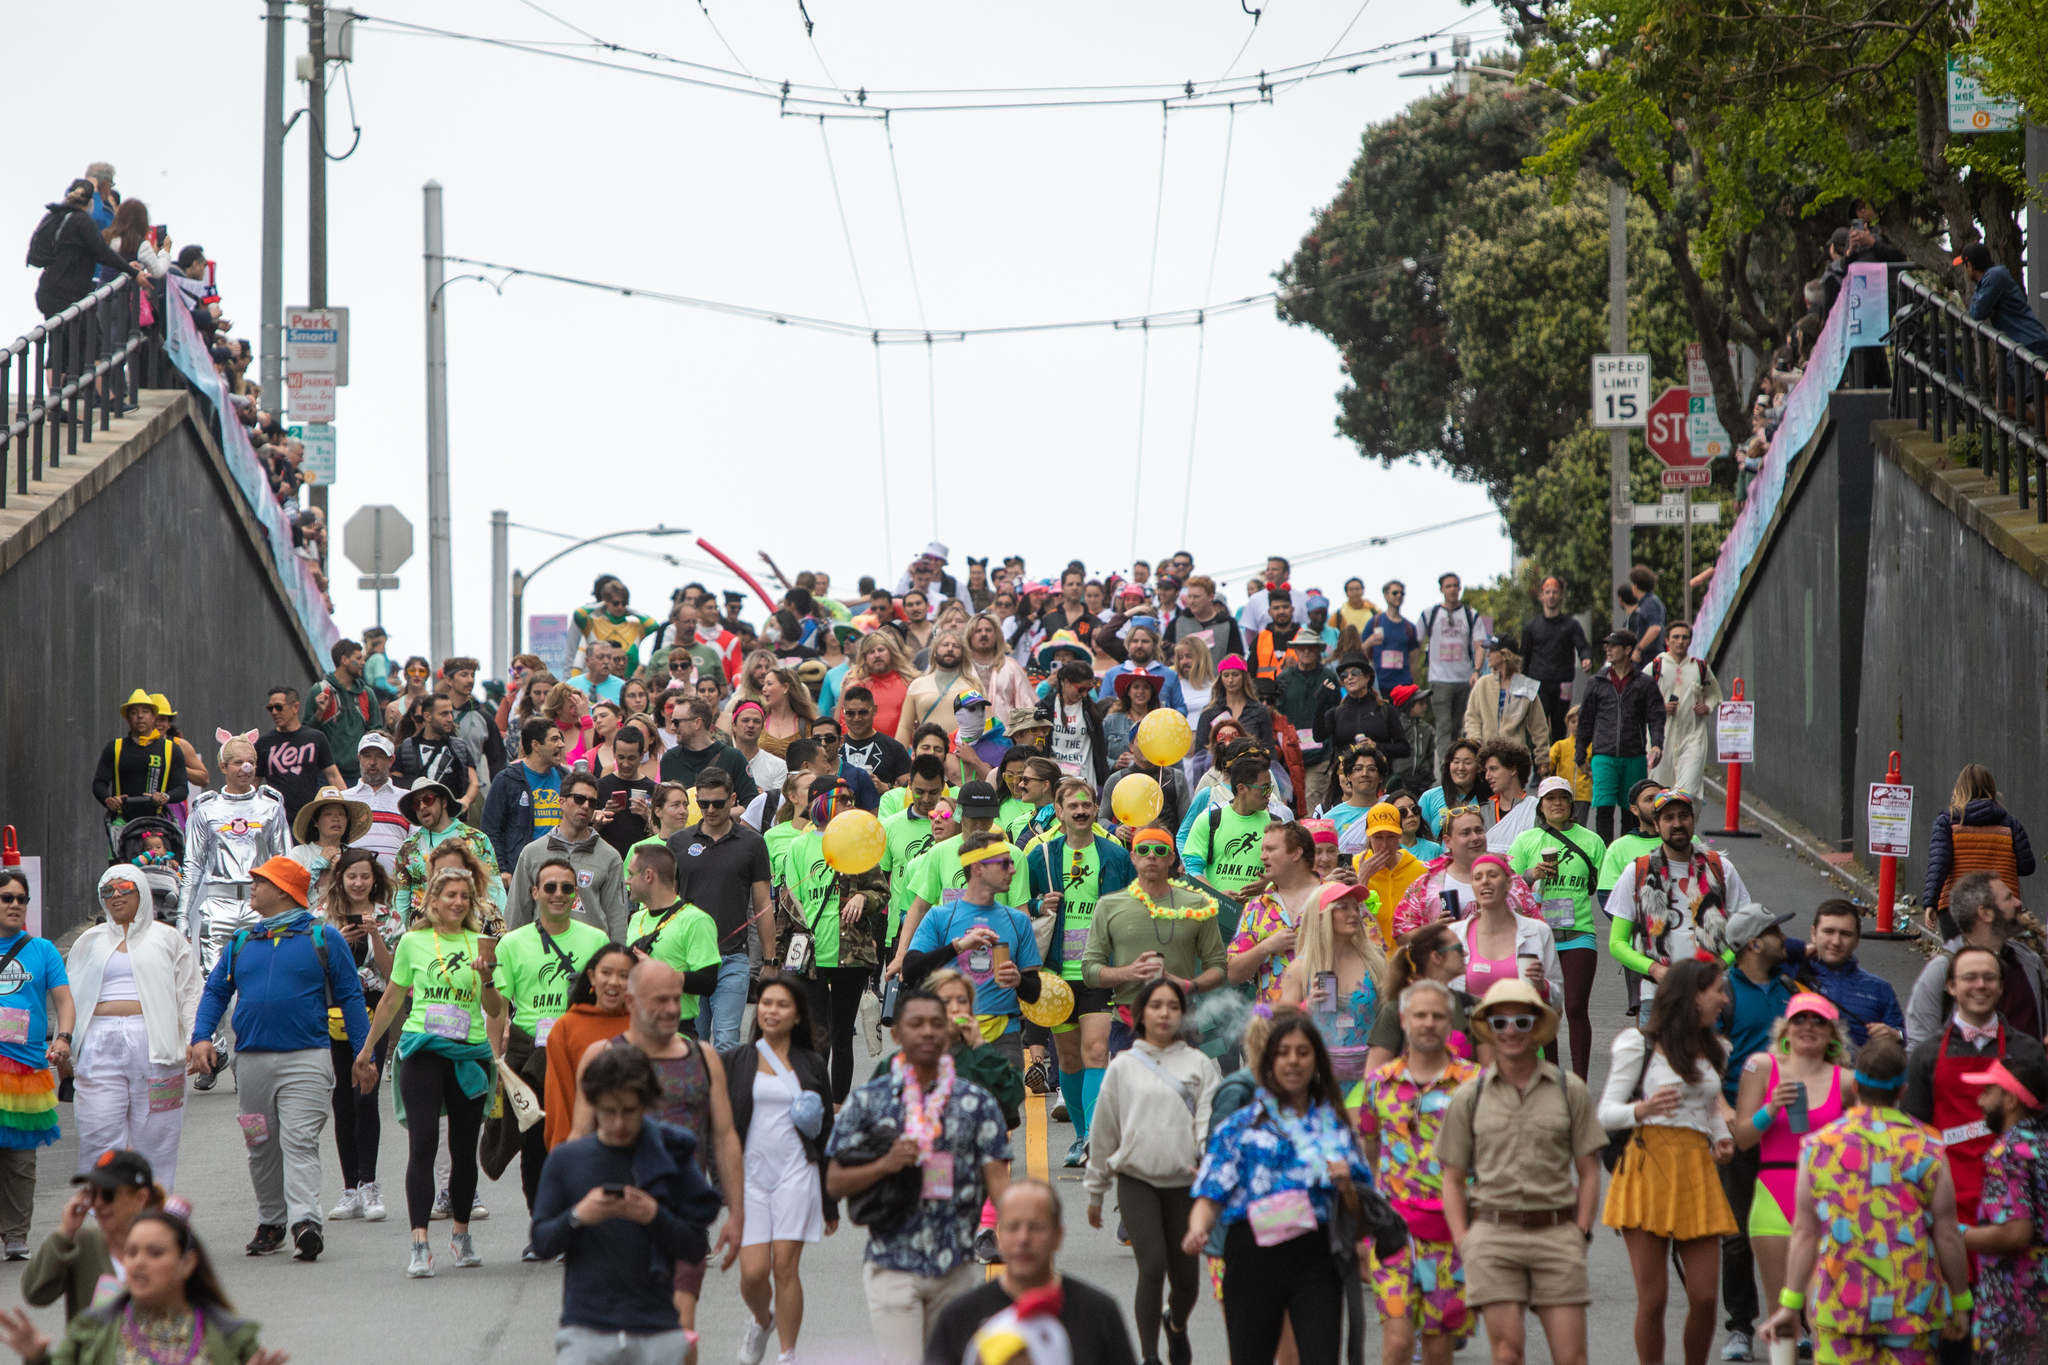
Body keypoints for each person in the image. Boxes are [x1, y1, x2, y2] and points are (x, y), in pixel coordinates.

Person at [188, 856, 369, 1262]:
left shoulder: (323, 936)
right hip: (249, 1063)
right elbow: (216, 991)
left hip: (307, 1058)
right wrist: (201, 1037)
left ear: (285, 890)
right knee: (259, 1144)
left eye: (260, 881)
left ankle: (306, 1222)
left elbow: (351, 996)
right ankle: (271, 1221)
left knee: (299, 1139)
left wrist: (363, 1053)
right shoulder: (241, 941)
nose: (251, 886)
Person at [826, 986, 1014, 1365]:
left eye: (936, 1024)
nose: (927, 1032)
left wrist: (1020, 1238)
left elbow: (999, 1184)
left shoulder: (977, 1103)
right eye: (916, 1023)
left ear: (949, 1031)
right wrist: (884, 1165)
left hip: (956, 1269)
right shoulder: (869, 1101)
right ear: (896, 1034)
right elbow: (833, 1181)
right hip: (891, 1263)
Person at [1755, 1035, 1970, 1365]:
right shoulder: (1929, 1145)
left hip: (1840, 1307)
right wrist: (1960, 1299)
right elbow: (1947, 1233)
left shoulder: (1818, 1146)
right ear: (1903, 1090)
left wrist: (1789, 1304)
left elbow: (1805, 1232)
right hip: (1912, 1307)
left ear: (1855, 1086)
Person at [1181, 1013, 1376, 1365]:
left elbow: (1361, 1211)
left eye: (1303, 1052)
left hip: (1315, 1258)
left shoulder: (1334, 1126)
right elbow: (1210, 1193)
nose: (1293, 1061)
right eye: (1283, 1052)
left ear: (1316, 1059)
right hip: (1252, 1255)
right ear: (1269, 1060)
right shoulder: (1240, 1125)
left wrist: (1346, 1185)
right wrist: (1198, 1229)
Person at [568, 960, 745, 1345]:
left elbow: (725, 1135)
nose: (671, 1009)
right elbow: (579, 1139)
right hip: (616, 1223)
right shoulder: (603, 1056)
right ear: (630, 1002)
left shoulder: (703, 1057)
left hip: (682, 1219)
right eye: (659, 1000)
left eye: (676, 999)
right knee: (626, 1337)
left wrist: (737, 1212)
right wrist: (572, 1215)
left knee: (676, 1334)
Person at [1437, 978, 1603, 1365]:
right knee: (1507, 1353)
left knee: (1572, 1357)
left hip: (1557, 1233)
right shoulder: (1470, 1095)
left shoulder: (1569, 1089)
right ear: (1489, 1029)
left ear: (1537, 1027)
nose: (1510, 1031)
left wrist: (1580, 1231)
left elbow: (1590, 1171)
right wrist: (1465, 1240)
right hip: (1493, 1236)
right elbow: (1453, 1177)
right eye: (1500, 1023)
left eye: (1521, 1022)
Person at [350, 866, 504, 1277]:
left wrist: (487, 977)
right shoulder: (414, 943)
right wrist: (366, 1051)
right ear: (432, 901)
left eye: (464, 897)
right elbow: (390, 1002)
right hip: (421, 1049)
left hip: (469, 1053)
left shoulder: (484, 944)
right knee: (423, 1144)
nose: (457, 902)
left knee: (463, 1148)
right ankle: (419, 1243)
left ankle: (461, 1235)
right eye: (449, 895)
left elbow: (495, 1010)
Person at [530, 1046, 723, 1365]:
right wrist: (579, 1216)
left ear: (647, 1104)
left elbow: (694, 1247)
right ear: (592, 1104)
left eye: (629, 1111)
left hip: (656, 1330)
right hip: (586, 1331)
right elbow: (542, 1242)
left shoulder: (670, 1154)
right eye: (608, 1111)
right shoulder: (567, 1160)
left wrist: (654, 1216)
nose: (619, 1122)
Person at [1600, 958, 1737, 1365]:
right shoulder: (1637, 1045)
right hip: (1646, 1165)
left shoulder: (1716, 1048)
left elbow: (1710, 1107)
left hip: (1696, 1167)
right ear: (1692, 995)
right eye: (1718, 991)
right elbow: (1604, 1113)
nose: (1725, 999)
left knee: (1706, 1296)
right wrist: (1642, 1110)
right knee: (1654, 1299)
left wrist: (1723, 1137)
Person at [1080, 976, 1216, 1365]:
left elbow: (1208, 1119)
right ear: (1139, 1015)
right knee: (1153, 1265)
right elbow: (1104, 1131)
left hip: (1185, 1185)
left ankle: (1176, 1325)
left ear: (1182, 1014)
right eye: (1156, 1006)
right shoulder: (1123, 1066)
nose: (1164, 1013)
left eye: (1173, 1006)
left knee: (1187, 1284)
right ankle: (1151, 1356)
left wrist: (1205, 1154)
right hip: (1137, 1180)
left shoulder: (1200, 1065)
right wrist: (1095, 1190)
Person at [1356, 977, 1483, 1365]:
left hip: (1453, 1233)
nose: (1428, 1023)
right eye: (1420, 1015)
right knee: (1396, 1341)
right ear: (1404, 1020)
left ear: (1451, 1024)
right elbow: (1371, 1145)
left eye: (1438, 1016)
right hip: (1394, 1232)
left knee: (1437, 1347)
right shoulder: (1379, 1083)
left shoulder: (1474, 1083)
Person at [486, 855, 616, 1225]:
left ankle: (583, 1218)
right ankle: (543, 1221)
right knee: (534, 1140)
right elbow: (498, 1008)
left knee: (586, 1135)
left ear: (575, 895)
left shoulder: (596, 939)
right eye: (550, 887)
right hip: (531, 1051)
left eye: (566, 888)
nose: (558, 894)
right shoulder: (511, 943)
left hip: (581, 1047)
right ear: (534, 892)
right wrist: (496, 1058)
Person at [1729, 993, 1856, 1354]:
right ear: (1785, 1028)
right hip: (1774, 1191)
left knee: (1823, 1312)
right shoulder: (1762, 1066)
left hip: (1827, 1198)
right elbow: (1742, 1137)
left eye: (1818, 1021)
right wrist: (1771, 1109)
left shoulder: (1847, 1081)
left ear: (1833, 1033)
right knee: (1782, 1314)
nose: (1808, 1027)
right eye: (1800, 1019)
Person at [0, 1208, 289, 1365]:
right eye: (132, 1252)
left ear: (187, 1263)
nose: (138, 1262)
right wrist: (37, 1359)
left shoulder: (231, 1336)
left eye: (155, 1253)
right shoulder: (91, 1330)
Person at [65, 868, 201, 1190]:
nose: (116, 895)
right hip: (98, 1044)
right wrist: (66, 1045)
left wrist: (196, 1038)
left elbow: (191, 991)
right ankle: (101, 1216)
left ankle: (154, 1214)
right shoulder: (88, 942)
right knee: (98, 1134)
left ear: (141, 890)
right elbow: (67, 996)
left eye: (124, 887)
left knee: (158, 1139)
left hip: (158, 1047)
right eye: (107, 890)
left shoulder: (168, 937)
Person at [725, 977, 836, 1365]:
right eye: (766, 1003)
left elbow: (825, 1136)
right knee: (754, 1273)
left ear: (797, 1016)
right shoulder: (737, 1061)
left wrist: (830, 1202)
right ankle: (761, 1319)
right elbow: (720, 1129)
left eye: (782, 1005)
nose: (771, 1011)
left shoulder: (812, 1064)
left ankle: (788, 1355)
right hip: (750, 1180)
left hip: (796, 1174)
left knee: (786, 1266)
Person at [1024, 780, 1135, 1164]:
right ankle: (1079, 1134)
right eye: (1072, 805)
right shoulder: (1040, 856)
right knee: (1069, 1061)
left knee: (1096, 1050)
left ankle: (1093, 1136)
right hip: (1057, 972)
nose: (1081, 811)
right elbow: (1024, 906)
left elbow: (1132, 903)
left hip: (1099, 970)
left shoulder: (1115, 854)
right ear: (1058, 811)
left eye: (1087, 804)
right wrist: (1040, 903)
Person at [1903, 944, 2048, 1231]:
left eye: (1989, 977)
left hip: (2014, 1202)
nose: (1980, 985)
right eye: (1970, 977)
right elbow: (1912, 1134)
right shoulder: (1926, 1054)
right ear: (1951, 987)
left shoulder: (2028, 1051)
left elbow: (2042, 1130)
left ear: (2001, 987)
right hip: (1945, 1196)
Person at [926, 1179, 1140, 1365]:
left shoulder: (1098, 1313)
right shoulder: (960, 1317)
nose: (1023, 1239)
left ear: (1059, 1236)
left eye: (1036, 1227)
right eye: (1012, 1227)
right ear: (997, 1236)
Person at [774, 785, 887, 1103]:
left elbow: (881, 890)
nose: (850, 805)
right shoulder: (798, 846)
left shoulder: (858, 842)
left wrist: (864, 897)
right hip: (809, 956)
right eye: (843, 800)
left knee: (841, 1035)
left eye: (852, 800)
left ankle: (837, 1106)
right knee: (816, 1034)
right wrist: (782, 956)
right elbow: (788, 902)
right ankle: (816, 1101)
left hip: (851, 956)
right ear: (821, 803)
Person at [899, 832, 1045, 1069]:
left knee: (1004, 1105)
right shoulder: (941, 916)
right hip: (950, 1034)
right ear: (977, 869)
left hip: (1003, 1035)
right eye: (1004, 863)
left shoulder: (1018, 921)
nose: (1013, 870)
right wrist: (958, 946)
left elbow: (1034, 991)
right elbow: (911, 968)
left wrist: (1018, 981)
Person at [1080, 827, 1228, 1055]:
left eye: (1160, 850)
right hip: (1128, 1021)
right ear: (1133, 857)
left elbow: (1219, 967)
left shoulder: (1198, 903)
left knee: (1179, 1091)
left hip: (1180, 1019)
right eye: (1143, 849)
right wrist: (1128, 973)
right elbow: (1089, 971)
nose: (1151, 855)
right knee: (1131, 1091)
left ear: (1171, 858)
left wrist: (1188, 986)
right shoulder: (1109, 905)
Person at [1606, 789, 1749, 1014]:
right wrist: (1654, 969)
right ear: (1656, 824)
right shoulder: (1637, 871)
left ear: (1693, 820)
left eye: (1683, 816)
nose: (1677, 824)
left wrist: (1721, 964)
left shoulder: (1721, 868)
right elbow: (1617, 943)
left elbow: (1747, 932)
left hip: (1712, 996)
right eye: (1668, 818)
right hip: (1657, 996)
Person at [667, 767, 775, 1051]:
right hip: (689, 960)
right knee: (693, 1043)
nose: (710, 809)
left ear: (733, 799)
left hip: (732, 958)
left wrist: (770, 960)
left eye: (718, 803)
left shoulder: (753, 843)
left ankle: (727, 1096)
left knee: (727, 1041)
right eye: (703, 803)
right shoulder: (679, 843)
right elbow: (667, 901)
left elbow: (763, 905)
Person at [1507, 777, 1604, 1078]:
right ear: (1541, 805)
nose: (1557, 803)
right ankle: (1549, 1078)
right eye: (1550, 798)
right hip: (1537, 935)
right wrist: (1529, 874)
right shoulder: (1526, 841)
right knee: (1544, 1008)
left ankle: (1579, 1082)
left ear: (1572, 804)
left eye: (1563, 797)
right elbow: (1507, 886)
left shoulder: (1592, 841)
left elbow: (1597, 886)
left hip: (1579, 933)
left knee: (1575, 1007)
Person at [1962, 1048, 2048, 1365]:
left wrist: (1955, 1234)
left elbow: (2015, 1234)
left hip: (2011, 1313)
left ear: (2010, 1100)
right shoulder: (2041, 1143)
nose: (1981, 1101)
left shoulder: (2007, 1152)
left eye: (1988, 1091)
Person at [21, 1149, 167, 1324]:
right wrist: (64, 1233)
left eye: (108, 1194)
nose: (97, 1203)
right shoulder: (83, 1243)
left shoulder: (169, 1247)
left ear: (140, 1198)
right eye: (93, 1193)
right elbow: (35, 1293)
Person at [1906, 870, 2047, 1046]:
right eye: (2008, 898)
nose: (2018, 903)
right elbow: (1918, 1049)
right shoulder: (1942, 970)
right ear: (1986, 913)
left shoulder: (2029, 962)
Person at [1278, 882, 1387, 1082]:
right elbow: (1280, 1030)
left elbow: (1392, 1019)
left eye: (1355, 907)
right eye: (1342, 907)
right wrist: (1306, 1007)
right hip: (1319, 1078)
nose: (1353, 913)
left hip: (1370, 1076)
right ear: (1321, 916)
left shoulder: (1376, 963)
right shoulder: (1301, 969)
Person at [506, 770, 629, 940]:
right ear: (562, 802)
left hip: (591, 956)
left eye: (592, 802)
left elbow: (617, 918)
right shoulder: (532, 853)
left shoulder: (610, 857)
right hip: (542, 952)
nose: (586, 806)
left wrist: (618, 958)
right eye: (579, 799)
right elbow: (516, 913)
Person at [1391, 805, 1544, 938]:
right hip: (1450, 968)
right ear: (1447, 841)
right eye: (1465, 833)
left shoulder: (1509, 879)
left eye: (1479, 831)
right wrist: (1432, 930)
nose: (1475, 838)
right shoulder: (1426, 883)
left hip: (1502, 966)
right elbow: (1400, 933)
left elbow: (1537, 925)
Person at [542, 946, 638, 1153]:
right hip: (584, 1150)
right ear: (592, 977)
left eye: (624, 976)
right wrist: (564, 1153)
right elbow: (560, 1097)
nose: (613, 982)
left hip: (638, 1148)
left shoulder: (642, 1026)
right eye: (606, 973)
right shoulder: (566, 1027)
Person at [1923, 763, 2035, 940]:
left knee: (1959, 960)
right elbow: (2027, 866)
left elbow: (1939, 865)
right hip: (2000, 906)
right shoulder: (2010, 824)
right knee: (1999, 962)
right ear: (1991, 789)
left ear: (1958, 789)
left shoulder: (1947, 822)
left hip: (1956, 906)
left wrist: (1930, 903)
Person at [1575, 630, 1666, 842]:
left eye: (1614, 645)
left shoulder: (1644, 682)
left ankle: (1628, 857)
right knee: (1604, 808)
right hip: (1603, 755)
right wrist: (1580, 755)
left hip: (1634, 754)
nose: (1608, 649)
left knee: (1632, 811)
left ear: (1627, 649)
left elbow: (1656, 716)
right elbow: (1585, 720)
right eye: (1606, 645)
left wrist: (1657, 744)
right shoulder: (1596, 683)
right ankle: (1606, 857)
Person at [1226, 819, 1326, 1006]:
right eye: (1263, 850)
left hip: (1328, 1023)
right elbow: (1233, 973)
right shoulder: (1257, 907)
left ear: (1296, 853)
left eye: (1271, 849)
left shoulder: (1335, 897)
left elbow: (1372, 954)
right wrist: (1266, 947)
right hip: (1274, 1025)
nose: (1263, 857)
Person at [1795, 899, 1904, 1047]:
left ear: (1857, 939)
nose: (1836, 941)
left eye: (1845, 934)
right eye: (1828, 932)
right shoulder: (1791, 977)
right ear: (1814, 934)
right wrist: (1798, 951)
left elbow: (1906, 1039)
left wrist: (1896, 1035)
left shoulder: (1879, 988)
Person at [481, 718, 572, 878]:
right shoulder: (507, 779)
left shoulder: (565, 776)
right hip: (521, 870)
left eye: (560, 739)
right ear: (536, 745)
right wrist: (502, 869)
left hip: (561, 867)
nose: (561, 744)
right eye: (554, 739)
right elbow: (491, 829)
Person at [1645, 622, 1720, 803]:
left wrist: (1707, 706)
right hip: (1661, 740)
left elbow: (1715, 695)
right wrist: (1659, 708)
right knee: (1659, 790)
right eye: (1676, 637)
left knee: (1689, 792)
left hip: (1692, 736)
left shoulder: (1699, 667)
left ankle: (1687, 829)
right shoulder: (1655, 667)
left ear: (1690, 641)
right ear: (1667, 640)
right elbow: (1637, 700)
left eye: (1685, 637)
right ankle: (1662, 830)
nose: (1680, 641)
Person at [1186, 754, 1279, 900]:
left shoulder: (1277, 825)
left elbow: (1293, 870)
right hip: (1219, 918)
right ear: (1242, 789)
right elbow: (1192, 870)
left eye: (1271, 788)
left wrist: (1270, 884)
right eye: (1265, 788)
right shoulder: (1210, 820)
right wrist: (1217, 897)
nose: (1270, 794)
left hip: (1261, 918)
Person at [93, 691, 188, 828]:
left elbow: (182, 788)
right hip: (122, 823)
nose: (140, 716)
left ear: (154, 717)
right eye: (134, 712)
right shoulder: (115, 748)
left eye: (145, 712)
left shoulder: (170, 749)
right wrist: (108, 800)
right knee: (117, 849)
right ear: (127, 718)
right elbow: (99, 783)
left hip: (158, 822)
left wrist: (165, 797)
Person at [1519, 576, 1592, 741]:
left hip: (1562, 683)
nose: (1551, 596)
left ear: (1561, 596)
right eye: (1548, 592)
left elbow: (1582, 646)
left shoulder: (1571, 625)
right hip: (1538, 683)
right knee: (1539, 726)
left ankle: (1558, 762)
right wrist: (1521, 682)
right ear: (1541, 596)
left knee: (1560, 726)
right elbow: (1524, 655)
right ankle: (1539, 765)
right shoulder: (1531, 626)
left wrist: (1586, 658)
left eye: (1555, 592)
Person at [285, 786, 370, 912]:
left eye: (341, 814)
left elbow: (365, 895)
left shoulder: (355, 856)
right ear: (315, 821)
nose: (336, 819)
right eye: (328, 814)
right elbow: (290, 894)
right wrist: (319, 863)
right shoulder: (299, 853)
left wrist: (343, 870)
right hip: (308, 926)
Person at [393, 690, 482, 809]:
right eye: (444, 714)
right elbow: (395, 782)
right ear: (427, 716)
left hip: (450, 817)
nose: (450, 719)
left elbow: (474, 783)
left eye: (451, 713)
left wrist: (466, 800)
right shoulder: (407, 747)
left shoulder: (459, 747)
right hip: (416, 815)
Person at [1463, 637, 1549, 759]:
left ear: (1505, 656)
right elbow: (1472, 718)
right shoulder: (1482, 684)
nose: (1488, 655)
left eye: (1492, 651)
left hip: (1515, 757)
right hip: (1487, 755)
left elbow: (1538, 726)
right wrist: (1476, 739)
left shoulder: (1526, 686)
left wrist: (1542, 756)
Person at [308, 639, 376, 786]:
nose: (363, 662)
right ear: (344, 660)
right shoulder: (319, 691)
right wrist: (319, 714)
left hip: (359, 776)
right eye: (358, 658)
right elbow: (305, 735)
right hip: (325, 776)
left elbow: (377, 732)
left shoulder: (367, 694)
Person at [344, 733, 410, 874]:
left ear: (391, 760)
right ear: (359, 758)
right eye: (367, 756)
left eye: (379, 756)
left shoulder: (407, 799)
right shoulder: (342, 799)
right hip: (353, 885)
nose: (372, 762)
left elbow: (416, 846)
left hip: (396, 888)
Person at [1194, 655, 1274, 751]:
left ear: (1244, 677)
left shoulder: (1259, 711)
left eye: (1235, 675)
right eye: (1226, 675)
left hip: (1252, 764)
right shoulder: (1210, 711)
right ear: (1221, 679)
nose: (1230, 680)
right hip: (1218, 765)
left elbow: (1269, 749)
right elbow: (1200, 752)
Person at [1416, 737, 1485, 839]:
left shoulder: (1489, 800)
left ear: (1479, 767)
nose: (1461, 768)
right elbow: (1417, 839)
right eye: (1456, 762)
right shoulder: (1429, 798)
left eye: (1468, 763)